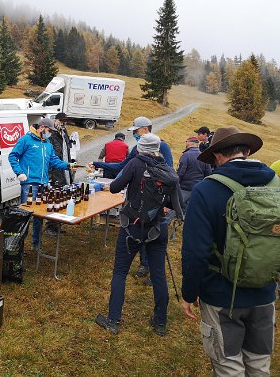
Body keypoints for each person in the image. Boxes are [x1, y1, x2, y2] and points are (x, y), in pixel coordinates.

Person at [181, 126, 276, 375]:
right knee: (259, 363)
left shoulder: (206, 189)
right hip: (265, 292)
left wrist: (189, 293)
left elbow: (196, 252)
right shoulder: (276, 185)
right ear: (246, 151)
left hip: (221, 295)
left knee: (228, 364)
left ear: (218, 156)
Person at [95, 133, 183, 336]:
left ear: (140, 147)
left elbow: (116, 186)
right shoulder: (165, 168)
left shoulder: (135, 163)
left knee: (120, 272)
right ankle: (160, 323)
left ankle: (113, 320)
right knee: (159, 274)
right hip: (157, 229)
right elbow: (171, 203)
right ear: (157, 149)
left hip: (131, 228)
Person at [91, 117, 174, 282]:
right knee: (140, 231)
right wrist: (98, 164)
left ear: (144, 129)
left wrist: (167, 203)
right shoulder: (137, 149)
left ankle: (152, 270)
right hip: (137, 202)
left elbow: (170, 174)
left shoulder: (162, 146)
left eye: (136, 131)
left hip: (155, 202)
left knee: (153, 234)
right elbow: (122, 167)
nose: (134, 134)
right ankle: (144, 264)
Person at [8, 117, 73, 250]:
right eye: (50, 130)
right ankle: (17, 245)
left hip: (43, 184)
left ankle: (35, 243)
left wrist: (68, 165)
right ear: (42, 127)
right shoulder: (26, 140)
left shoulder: (48, 144)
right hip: (29, 184)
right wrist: (19, 172)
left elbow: (54, 161)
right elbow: (13, 156)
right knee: (25, 215)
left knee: (39, 216)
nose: (51, 133)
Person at [45, 112, 74, 236]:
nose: (63, 123)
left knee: (62, 198)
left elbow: (67, 150)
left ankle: (57, 224)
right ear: (55, 120)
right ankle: (50, 226)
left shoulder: (64, 133)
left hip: (64, 170)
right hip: (54, 172)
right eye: (61, 121)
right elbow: (49, 157)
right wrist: (50, 176)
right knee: (54, 199)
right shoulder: (51, 135)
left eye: (65, 121)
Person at [176, 136, 212, 208]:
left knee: (178, 209)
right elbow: (208, 173)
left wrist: (176, 184)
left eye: (186, 142)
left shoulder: (185, 155)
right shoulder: (203, 156)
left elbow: (180, 173)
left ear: (189, 143)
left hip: (185, 188)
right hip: (198, 189)